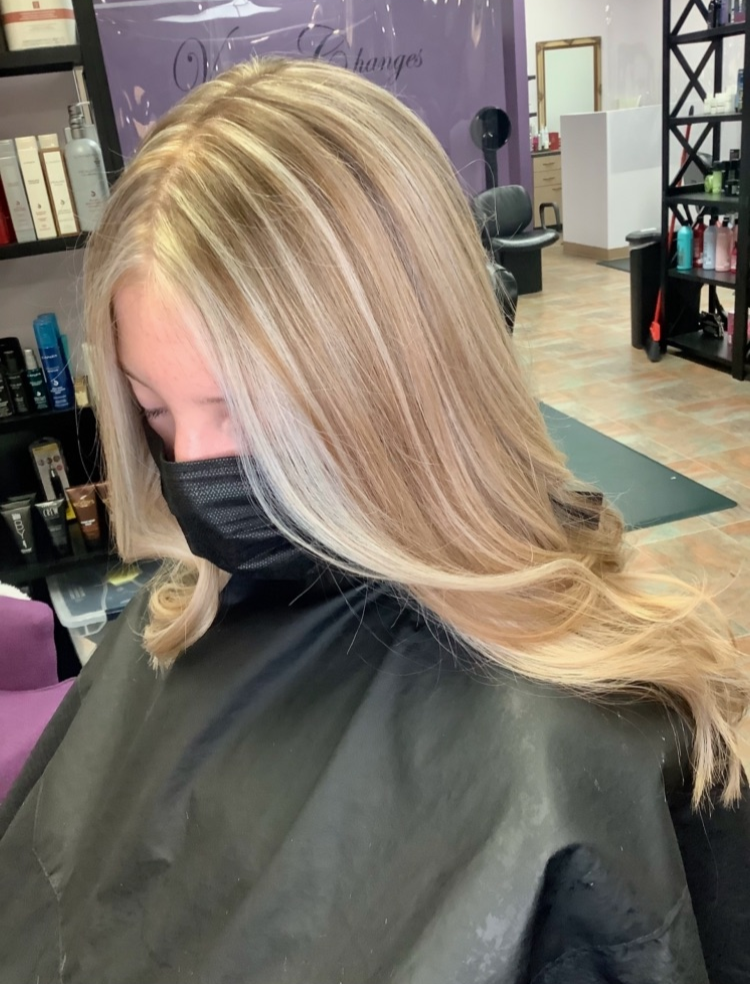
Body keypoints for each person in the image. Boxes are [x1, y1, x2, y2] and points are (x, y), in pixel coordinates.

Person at [0, 58, 748, 984]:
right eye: (156, 415)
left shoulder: (595, 757)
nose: (193, 472)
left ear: (404, 382)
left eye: (240, 411)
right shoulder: (180, 615)